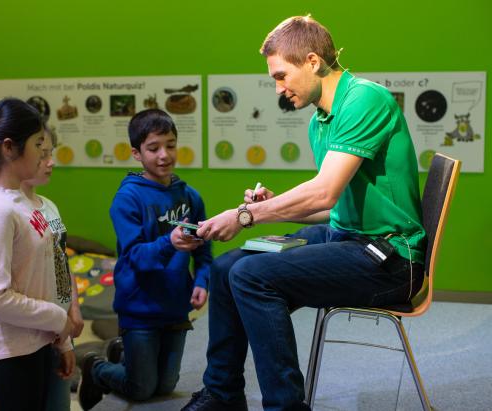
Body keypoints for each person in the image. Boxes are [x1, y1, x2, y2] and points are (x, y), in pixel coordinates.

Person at [181, 15, 426, 411]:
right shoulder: (319, 120)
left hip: (393, 258)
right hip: (346, 238)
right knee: (226, 270)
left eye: (281, 76)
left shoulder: (364, 99)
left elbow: (324, 194)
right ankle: (222, 396)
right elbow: (332, 206)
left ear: (312, 61)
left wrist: (245, 215)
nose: (279, 88)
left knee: (251, 276)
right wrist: (271, 207)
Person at [78, 108, 212, 410]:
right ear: (136, 153)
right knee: (141, 388)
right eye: (153, 148)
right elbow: (136, 256)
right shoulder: (127, 199)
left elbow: (203, 249)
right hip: (139, 306)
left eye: (170, 145)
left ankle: (124, 356)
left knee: (165, 385)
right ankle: (97, 368)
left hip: (175, 307)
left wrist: (202, 280)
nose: (164, 155)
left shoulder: (190, 196)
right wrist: (170, 242)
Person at [0, 98, 75, 411]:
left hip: (38, 341)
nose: (45, 153)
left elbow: (49, 276)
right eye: (38, 143)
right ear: (9, 148)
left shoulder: (24, 202)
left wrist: (61, 338)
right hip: (9, 351)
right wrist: (57, 318)